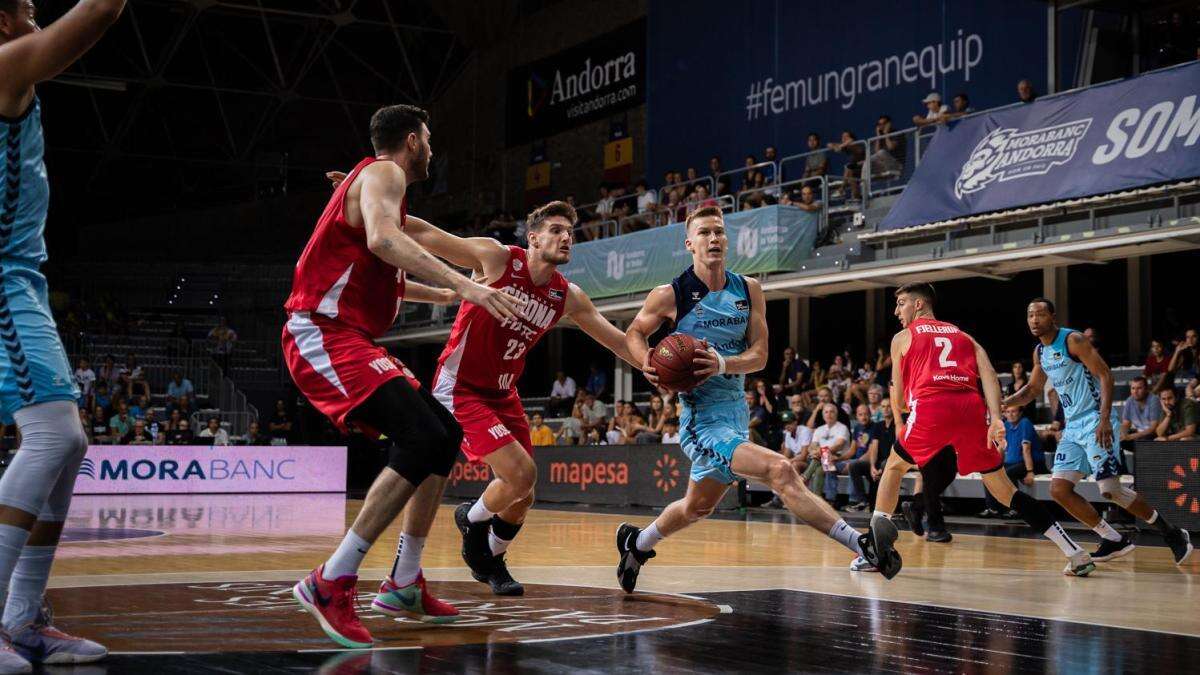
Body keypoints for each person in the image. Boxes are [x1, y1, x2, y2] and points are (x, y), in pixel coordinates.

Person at [282, 104, 524, 647]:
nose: (434, 150)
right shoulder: (383, 172)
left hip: (347, 335)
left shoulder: (377, 186)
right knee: (422, 435)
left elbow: (381, 258)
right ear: (412, 141)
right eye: (430, 140)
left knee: (444, 434)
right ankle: (332, 580)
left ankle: (404, 580)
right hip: (319, 330)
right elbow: (383, 242)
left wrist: (438, 291)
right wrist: (467, 287)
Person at [615, 205, 870, 594]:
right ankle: (862, 544)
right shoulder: (671, 294)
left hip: (736, 413)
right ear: (690, 244)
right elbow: (635, 331)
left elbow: (761, 356)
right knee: (780, 470)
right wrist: (645, 359)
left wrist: (722, 363)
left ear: (727, 240)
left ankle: (637, 544)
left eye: (719, 232)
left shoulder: (748, 289)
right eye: (704, 233)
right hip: (702, 422)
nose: (713, 238)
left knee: (697, 507)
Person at [397, 200, 636, 597]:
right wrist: (371, 201)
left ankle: (489, 557)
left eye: (570, 233)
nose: (566, 238)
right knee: (520, 475)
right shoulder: (497, 259)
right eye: (557, 230)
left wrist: (654, 367)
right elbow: (429, 236)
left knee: (523, 495)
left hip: (503, 392)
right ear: (534, 237)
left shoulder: (567, 295)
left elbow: (618, 341)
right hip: (460, 387)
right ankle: (473, 524)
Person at [0, 2, 125, 667]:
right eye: (25, 8)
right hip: (3, 280)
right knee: (55, 435)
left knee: (67, 444)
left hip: (20, 279)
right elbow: (102, 9)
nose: (36, 16)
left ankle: (21, 618)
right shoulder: (5, 65)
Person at [863, 283, 1095, 579]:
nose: (897, 311)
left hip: (933, 405)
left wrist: (910, 404)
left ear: (919, 304)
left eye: (901, 303)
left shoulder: (902, 337)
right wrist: (996, 417)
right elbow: (987, 373)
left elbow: (897, 400)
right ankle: (1074, 552)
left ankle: (873, 553)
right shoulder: (963, 335)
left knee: (894, 468)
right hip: (971, 409)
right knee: (1004, 490)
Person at [1005, 298, 1193, 565]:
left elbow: (1105, 375)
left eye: (1040, 314)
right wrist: (1006, 402)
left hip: (1095, 419)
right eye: (1030, 315)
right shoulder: (1040, 352)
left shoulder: (1073, 340)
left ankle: (1172, 533)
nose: (1034, 320)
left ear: (1053, 317)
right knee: (1059, 490)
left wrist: (1105, 418)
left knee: (1110, 490)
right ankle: (1113, 538)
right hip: (1072, 427)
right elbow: (1033, 390)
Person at [978, 405, 1043, 519]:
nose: (1010, 414)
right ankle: (993, 508)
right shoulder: (1006, 425)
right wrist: (992, 464)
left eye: (1013, 411)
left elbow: (1026, 449)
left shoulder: (1025, 423)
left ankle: (1016, 509)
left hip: (1032, 463)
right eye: (1007, 412)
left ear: (1020, 413)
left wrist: (1030, 471)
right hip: (1014, 463)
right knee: (989, 473)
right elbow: (1001, 448)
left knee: (1008, 473)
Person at [1120, 376, 1161, 443]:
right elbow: (1126, 423)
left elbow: (1153, 428)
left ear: (1146, 389)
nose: (1135, 392)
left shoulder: (1154, 400)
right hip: (1138, 433)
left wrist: (1131, 437)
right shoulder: (1130, 400)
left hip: (1153, 435)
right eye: (1133, 388)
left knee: (1144, 440)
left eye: (1139, 388)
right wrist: (1123, 434)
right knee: (1118, 441)